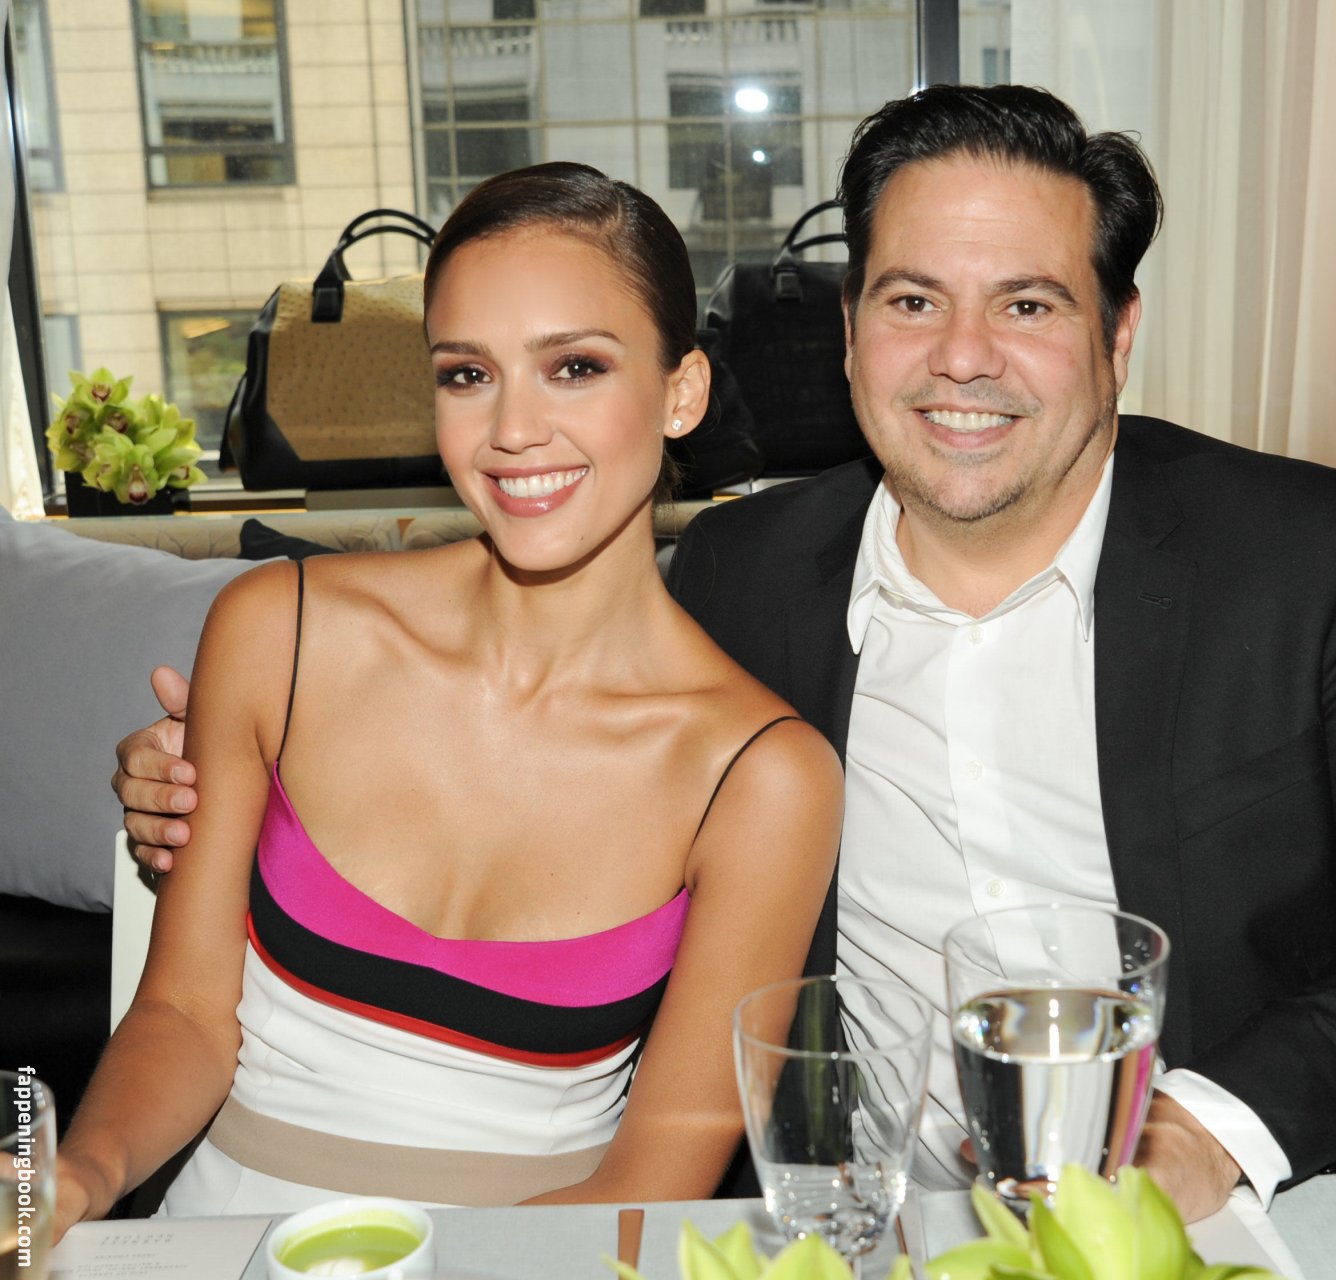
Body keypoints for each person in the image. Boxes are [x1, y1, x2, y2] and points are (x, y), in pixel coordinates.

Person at [112, 86, 1336, 1223]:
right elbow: (529, 729)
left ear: (1118, 334)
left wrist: (1205, 1135)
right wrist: (203, 774)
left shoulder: (1302, 558)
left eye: (1028, 304)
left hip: (1223, 1208)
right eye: (913, 299)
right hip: (862, 1226)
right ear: (852, 328)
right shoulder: (739, 580)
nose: (962, 357)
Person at [60, 162, 842, 1229]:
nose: (513, 429)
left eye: (573, 366)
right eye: (468, 374)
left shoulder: (761, 778)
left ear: (681, 392)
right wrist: (74, 1177)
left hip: (539, 1255)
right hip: (224, 1239)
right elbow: (186, 1015)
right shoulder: (278, 631)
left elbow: (656, 1171)